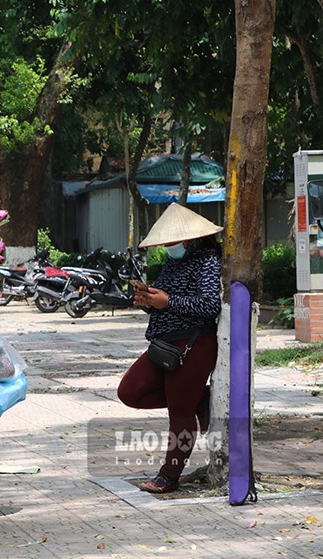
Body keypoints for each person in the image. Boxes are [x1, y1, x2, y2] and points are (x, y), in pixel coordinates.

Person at [117, 203, 223, 494]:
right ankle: (199, 396)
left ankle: (169, 476)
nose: (168, 247)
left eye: (172, 242)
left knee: (180, 413)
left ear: (189, 239)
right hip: (164, 343)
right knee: (129, 391)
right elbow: (165, 302)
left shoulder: (208, 261)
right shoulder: (173, 263)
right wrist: (149, 302)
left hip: (193, 344)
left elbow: (210, 306)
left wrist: (169, 301)